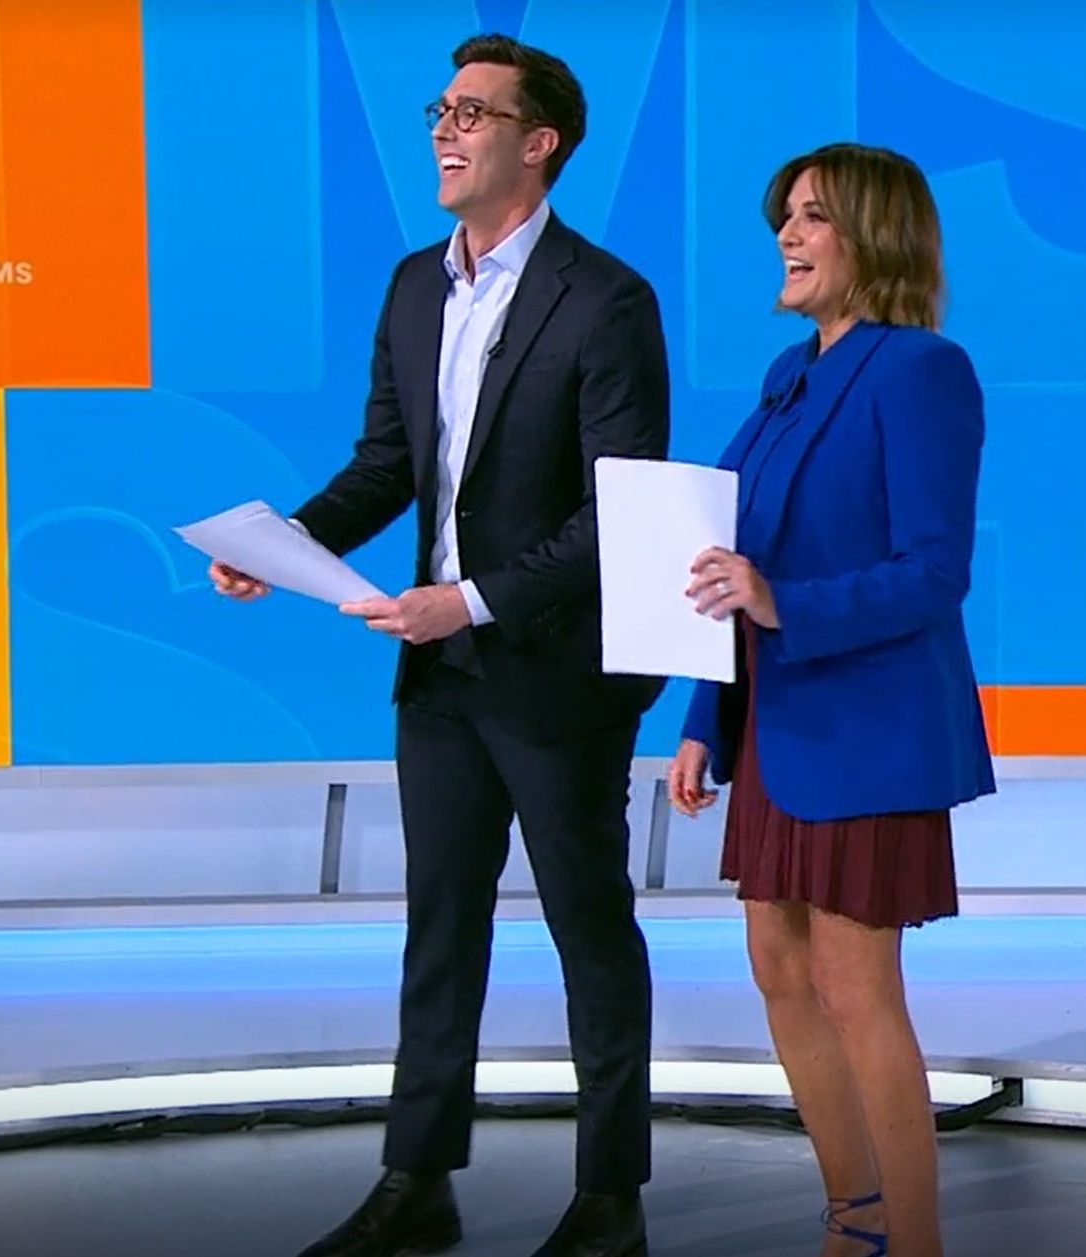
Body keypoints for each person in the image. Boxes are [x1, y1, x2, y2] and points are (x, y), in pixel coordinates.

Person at [209, 33, 669, 1257]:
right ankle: (418, 1182)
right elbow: (388, 463)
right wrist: (288, 541)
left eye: (473, 113)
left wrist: (471, 601)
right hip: (442, 680)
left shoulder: (606, 299)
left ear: (539, 143)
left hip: (558, 672)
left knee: (588, 928)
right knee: (440, 927)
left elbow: (617, 512)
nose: (446, 132)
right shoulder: (418, 284)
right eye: (441, 111)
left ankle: (610, 1198)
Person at [664, 143, 993, 1257]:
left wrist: (782, 602)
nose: (787, 236)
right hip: (774, 725)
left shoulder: (919, 370)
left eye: (812, 217)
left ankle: (915, 1239)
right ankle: (854, 1218)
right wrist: (703, 722)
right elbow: (732, 567)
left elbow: (933, 572)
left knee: (858, 990)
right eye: (785, 217)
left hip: (867, 728)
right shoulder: (788, 378)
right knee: (780, 974)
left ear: (874, 235)